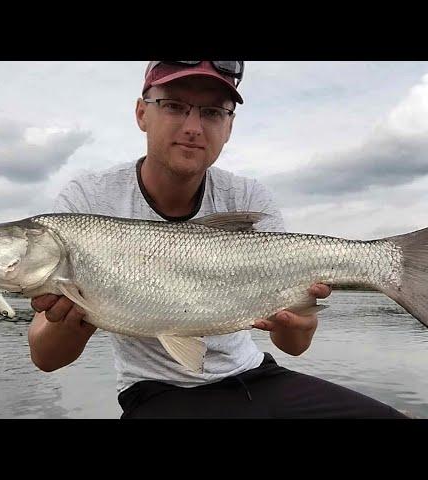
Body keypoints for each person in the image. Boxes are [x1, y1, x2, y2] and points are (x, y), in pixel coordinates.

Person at [27, 61, 407, 418]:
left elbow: (294, 346)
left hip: (256, 376)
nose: (193, 126)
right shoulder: (88, 202)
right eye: (174, 106)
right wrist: (71, 315)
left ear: (229, 126)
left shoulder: (248, 197)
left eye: (211, 113)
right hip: (156, 390)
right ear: (142, 113)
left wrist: (299, 322)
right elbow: (47, 358)